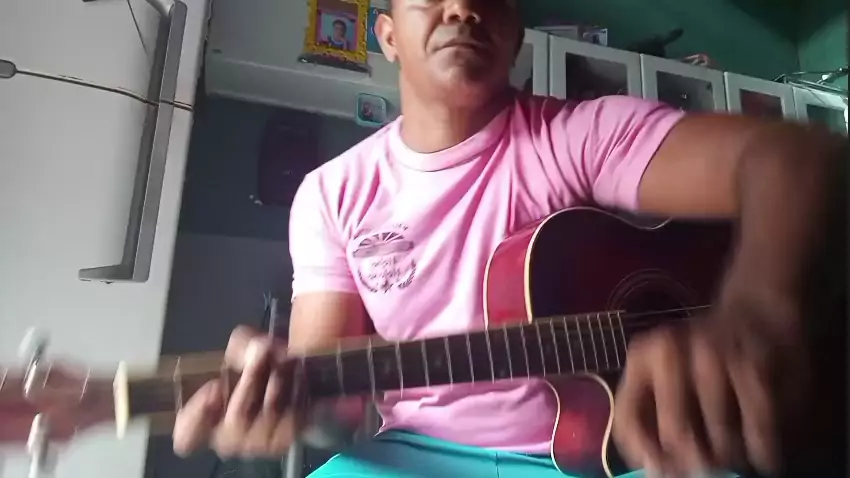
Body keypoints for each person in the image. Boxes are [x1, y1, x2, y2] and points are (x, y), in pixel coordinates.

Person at [172, 1, 846, 477]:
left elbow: (803, 158)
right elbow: (335, 406)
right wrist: (287, 405)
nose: (463, 8)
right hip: (415, 457)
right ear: (388, 35)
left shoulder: (578, 136)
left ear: (515, 32)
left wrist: (757, 310)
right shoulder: (330, 194)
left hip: (620, 449)